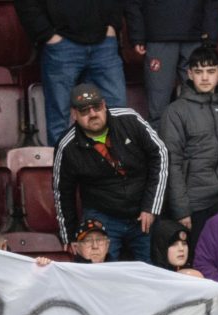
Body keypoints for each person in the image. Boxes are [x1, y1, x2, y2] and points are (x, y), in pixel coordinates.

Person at [52, 83, 167, 261]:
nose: (92, 114)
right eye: (84, 111)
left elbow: (160, 153)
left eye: (97, 107)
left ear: (104, 105)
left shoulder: (129, 119)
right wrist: (70, 236)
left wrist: (151, 206)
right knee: (100, 270)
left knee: (152, 270)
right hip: (102, 213)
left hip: (142, 209)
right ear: (74, 114)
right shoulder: (66, 146)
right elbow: (62, 193)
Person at [159, 46, 218, 251]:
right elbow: (171, 164)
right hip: (196, 202)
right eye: (199, 72)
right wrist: (181, 210)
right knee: (203, 259)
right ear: (189, 74)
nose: (204, 78)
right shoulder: (175, 112)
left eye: (210, 72)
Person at [15, 0, 127, 145]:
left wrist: (113, 26)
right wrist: (47, 35)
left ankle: (116, 165)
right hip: (61, 46)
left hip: (104, 43)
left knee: (117, 110)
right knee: (59, 118)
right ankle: (64, 166)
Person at [123, 0, 218, 123]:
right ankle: (163, 140)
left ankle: (164, 140)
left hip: (176, 36)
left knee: (198, 102)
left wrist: (137, 35)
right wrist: (211, 35)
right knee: (194, 102)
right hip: (173, 35)